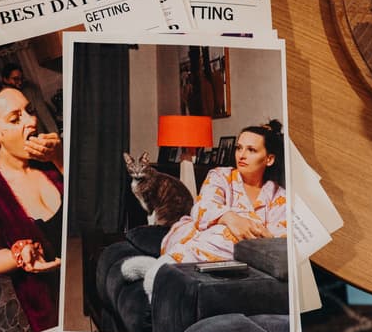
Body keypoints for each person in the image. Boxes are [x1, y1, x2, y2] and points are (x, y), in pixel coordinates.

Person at [123, 120, 287, 300]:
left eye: (251, 150)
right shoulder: (220, 175)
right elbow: (203, 207)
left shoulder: (279, 196)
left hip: (235, 255)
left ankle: (161, 269)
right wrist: (230, 218)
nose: (242, 155)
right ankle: (164, 270)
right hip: (195, 238)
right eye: (239, 148)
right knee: (219, 229)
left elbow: (276, 238)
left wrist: (239, 228)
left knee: (226, 234)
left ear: (269, 159)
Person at [0, 82, 63, 332]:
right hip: (53, 310)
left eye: (30, 111)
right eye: (15, 119)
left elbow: (91, 208)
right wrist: (19, 253)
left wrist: (60, 159)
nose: (32, 121)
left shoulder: (53, 166)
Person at [0, 62, 59, 135]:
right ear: (5, 80)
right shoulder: (1, 98)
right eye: (15, 79)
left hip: (39, 134)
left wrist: (55, 132)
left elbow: (44, 113)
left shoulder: (31, 90)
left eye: (21, 78)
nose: (20, 82)